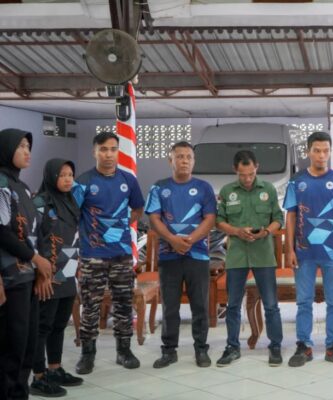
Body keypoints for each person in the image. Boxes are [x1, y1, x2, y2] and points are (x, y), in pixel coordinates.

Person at [73, 131, 145, 374]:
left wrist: (120, 228)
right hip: (92, 254)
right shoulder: (83, 182)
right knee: (90, 305)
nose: (109, 154)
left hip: (121, 254)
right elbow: (73, 214)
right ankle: (87, 354)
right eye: (103, 149)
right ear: (95, 152)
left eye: (113, 149)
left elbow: (138, 209)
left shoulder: (128, 180)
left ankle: (124, 351)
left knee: (124, 304)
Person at [283, 131, 333, 367]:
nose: (321, 155)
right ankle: (304, 345)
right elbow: (291, 216)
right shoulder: (296, 181)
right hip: (303, 252)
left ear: (330, 152)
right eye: (317, 150)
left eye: (325, 151)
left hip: (332, 252)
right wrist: (289, 249)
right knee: (304, 301)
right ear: (308, 152)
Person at [145, 142, 217, 369]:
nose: (184, 160)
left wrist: (190, 240)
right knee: (170, 306)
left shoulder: (204, 188)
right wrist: (173, 240)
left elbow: (210, 219)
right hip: (168, 256)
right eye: (179, 157)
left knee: (200, 305)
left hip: (198, 255)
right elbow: (153, 218)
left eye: (188, 157)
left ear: (193, 161)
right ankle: (169, 351)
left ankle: (201, 349)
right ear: (171, 161)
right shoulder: (159, 187)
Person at [215, 150, 284, 367]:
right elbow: (219, 221)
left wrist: (266, 232)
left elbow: (278, 218)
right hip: (237, 255)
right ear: (235, 170)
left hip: (263, 254)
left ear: (257, 168)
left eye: (251, 174)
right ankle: (232, 347)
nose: (247, 179)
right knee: (233, 304)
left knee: (271, 304)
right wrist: (236, 231)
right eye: (243, 175)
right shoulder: (227, 191)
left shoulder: (268, 189)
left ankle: (275, 346)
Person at [0, 128, 54, 400]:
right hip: (10, 277)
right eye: (21, 146)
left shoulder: (22, 187)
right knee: (11, 349)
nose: (27, 151)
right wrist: (35, 259)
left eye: (28, 146)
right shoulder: (2, 184)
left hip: (28, 277)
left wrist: (41, 269)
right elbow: (1, 232)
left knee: (27, 349)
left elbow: (36, 231)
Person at [30, 159, 84, 397]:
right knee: (43, 325)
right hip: (47, 271)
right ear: (51, 176)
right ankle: (38, 377)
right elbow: (32, 238)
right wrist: (39, 273)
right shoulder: (40, 202)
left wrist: (77, 264)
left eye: (70, 174)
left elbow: (74, 236)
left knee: (60, 323)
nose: (67, 179)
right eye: (62, 175)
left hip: (69, 268)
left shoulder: (70, 201)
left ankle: (54, 368)